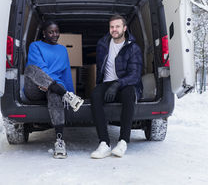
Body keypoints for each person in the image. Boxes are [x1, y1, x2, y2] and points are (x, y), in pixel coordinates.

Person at [24, 20, 84, 159]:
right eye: (51, 32)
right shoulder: (35, 46)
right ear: (44, 33)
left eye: (57, 31)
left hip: (55, 88)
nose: (55, 34)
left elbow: (66, 72)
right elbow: (40, 68)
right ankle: (63, 93)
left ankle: (59, 141)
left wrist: (71, 91)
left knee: (55, 91)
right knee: (31, 69)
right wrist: (52, 84)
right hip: (35, 87)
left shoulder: (62, 49)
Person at [90, 15, 143, 159]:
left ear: (124, 28)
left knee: (128, 94)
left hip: (126, 83)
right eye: (112, 27)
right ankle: (104, 144)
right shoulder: (102, 44)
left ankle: (123, 141)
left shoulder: (133, 47)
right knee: (95, 94)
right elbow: (100, 69)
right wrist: (103, 86)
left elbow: (135, 75)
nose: (114, 29)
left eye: (117, 26)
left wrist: (118, 84)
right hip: (107, 82)